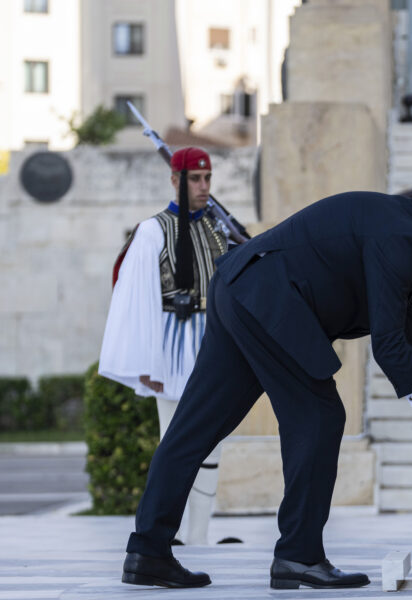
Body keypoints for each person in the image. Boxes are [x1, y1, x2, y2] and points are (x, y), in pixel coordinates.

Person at [120, 191, 412, 590]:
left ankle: (148, 551)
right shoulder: (401, 238)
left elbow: (402, 327)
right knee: (319, 416)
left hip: (241, 289)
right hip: (268, 300)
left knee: (195, 427)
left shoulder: (404, 234)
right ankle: (298, 555)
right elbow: (388, 344)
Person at [100, 147, 235, 547]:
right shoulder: (153, 230)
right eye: (195, 179)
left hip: (214, 343)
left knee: (213, 444)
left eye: (207, 178)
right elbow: (135, 298)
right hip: (173, 346)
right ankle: (164, 535)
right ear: (175, 181)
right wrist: (147, 362)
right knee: (175, 442)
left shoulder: (216, 228)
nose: (204, 187)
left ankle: (199, 536)